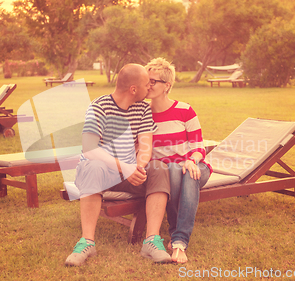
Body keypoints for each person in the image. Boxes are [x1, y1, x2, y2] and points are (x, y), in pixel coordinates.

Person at [65, 64, 171, 266]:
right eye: (146, 85)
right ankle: (87, 242)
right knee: (93, 166)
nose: (149, 88)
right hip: (99, 173)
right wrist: (124, 167)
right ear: (133, 89)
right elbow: (89, 148)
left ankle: (152, 241)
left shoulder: (142, 108)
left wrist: (137, 168)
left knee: (159, 167)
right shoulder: (99, 107)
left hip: (128, 174)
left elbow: (146, 146)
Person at [145, 58, 212, 264]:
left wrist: (192, 160)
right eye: (145, 81)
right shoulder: (142, 114)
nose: (147, 86)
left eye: (152, 81)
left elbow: (199, 146)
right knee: (174, 170)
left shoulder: (184, 110)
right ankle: (178, 242)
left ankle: (178, 240)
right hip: (165, 171)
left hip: (195, 164)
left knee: (188, 172)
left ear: (167, 86)